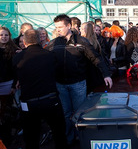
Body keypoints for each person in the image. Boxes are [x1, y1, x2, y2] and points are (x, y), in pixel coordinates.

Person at [46, 14, 112, 145]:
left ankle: (82, 139)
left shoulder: (82, 42)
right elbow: (44, 59)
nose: (58, 30)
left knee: (79, 113)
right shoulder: (54, 43)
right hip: (60, 84)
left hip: (78, 84)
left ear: (69, 26)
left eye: (60, 27)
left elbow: (96, 58)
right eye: (56, 27)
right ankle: (69, 139)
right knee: (65, 113)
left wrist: (106, 74)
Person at [12, 29, 68, 149]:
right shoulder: (50, 56)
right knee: (59, 134)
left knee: (31, 137)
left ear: (25, 42)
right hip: (50, 100)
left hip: (29, 103)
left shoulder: (18, 58)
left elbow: (16, 76)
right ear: (40, 40)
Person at [80, 22, 106, 93]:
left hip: (90, 73)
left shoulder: (87, 42)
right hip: (96, 72)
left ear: (86, 30)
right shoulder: (95, 41)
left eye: (82, 29)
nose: (80, 30)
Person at [0, 27, 19, 123]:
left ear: (9, 36)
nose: (4, 37)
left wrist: (13, 85)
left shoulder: (14, 50)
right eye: (1, 35)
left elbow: (16, 70)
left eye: (6, 35)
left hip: (8, 84)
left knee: (7, 109)